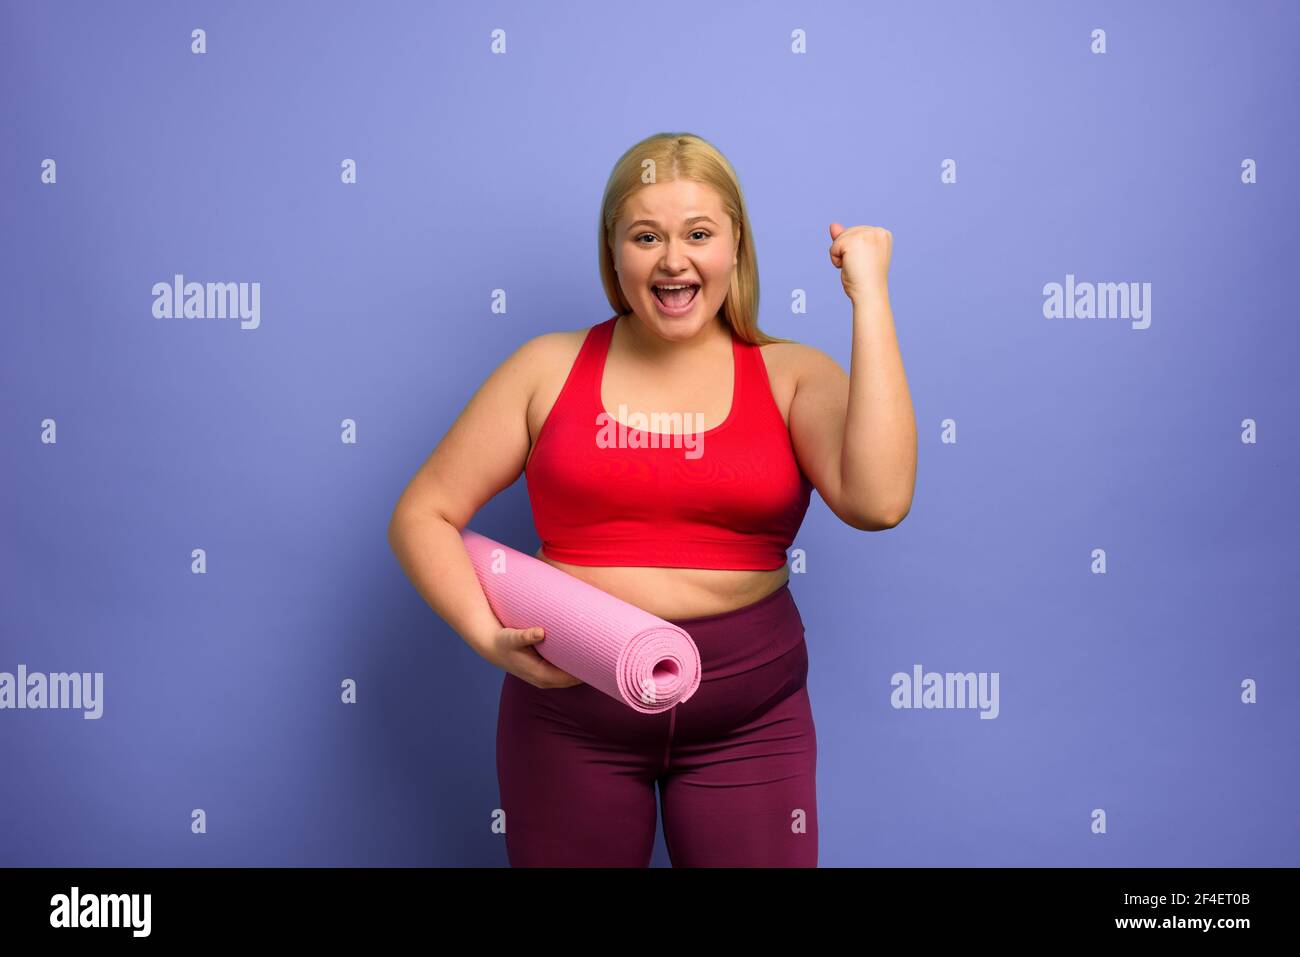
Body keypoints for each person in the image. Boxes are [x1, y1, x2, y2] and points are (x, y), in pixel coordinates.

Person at [387, 131, 917, 866]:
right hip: (570, 713)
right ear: (613, 253)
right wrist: (486, 634)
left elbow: (880, 500)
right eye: (646, 236)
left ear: (736, 246)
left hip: (751, 721)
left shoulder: (793, 374)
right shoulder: (545, 367)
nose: (674, 259)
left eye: (699, 233)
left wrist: (871, 295)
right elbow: (423, 513)